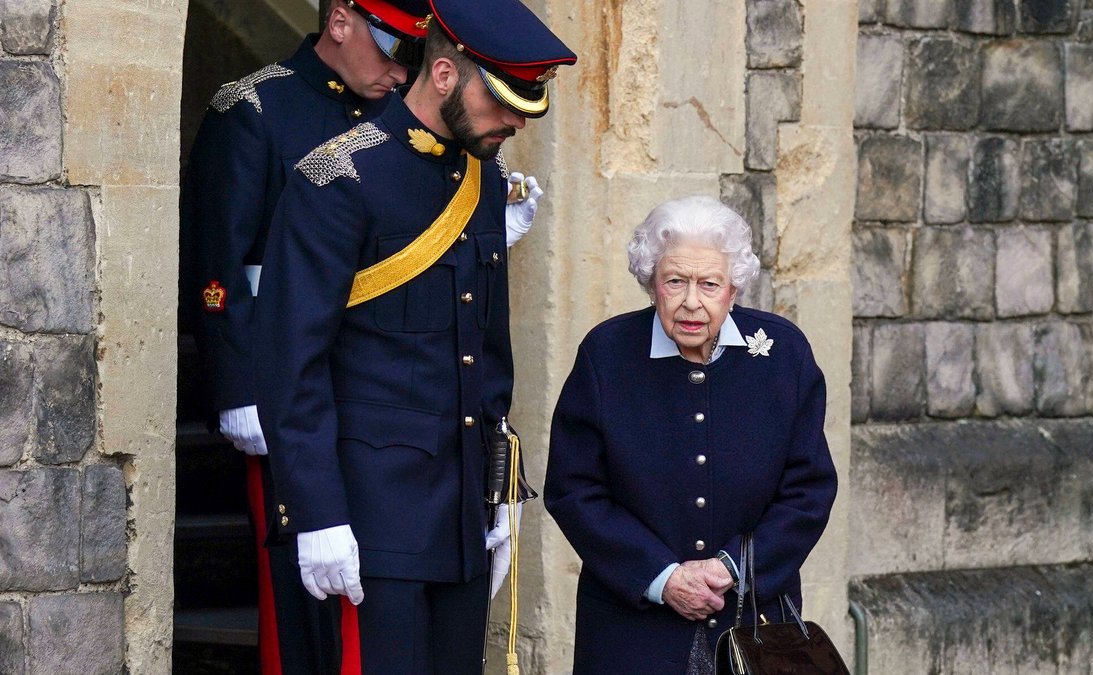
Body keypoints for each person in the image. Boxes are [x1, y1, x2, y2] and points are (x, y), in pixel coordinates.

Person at [183, 0, 546, 670]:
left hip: (459, 513)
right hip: (371, 513)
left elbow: (486, 352)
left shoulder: (483, 181)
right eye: (500, 102)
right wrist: (316, 512)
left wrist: (497, 495)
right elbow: (295, 356)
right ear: (443, 75)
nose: (515, 122)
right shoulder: (336, 175)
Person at [544, 196, 839, 674]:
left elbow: (808, 489)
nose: (691, 302)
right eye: (675, 281)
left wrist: (734, 570)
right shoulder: (607, 354)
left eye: (709, 284)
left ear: (733, 288)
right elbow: (575, 490)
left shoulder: (784, 355)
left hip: (752, 624)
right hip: (630, 630)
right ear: (652, 283)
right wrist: (662, 578)